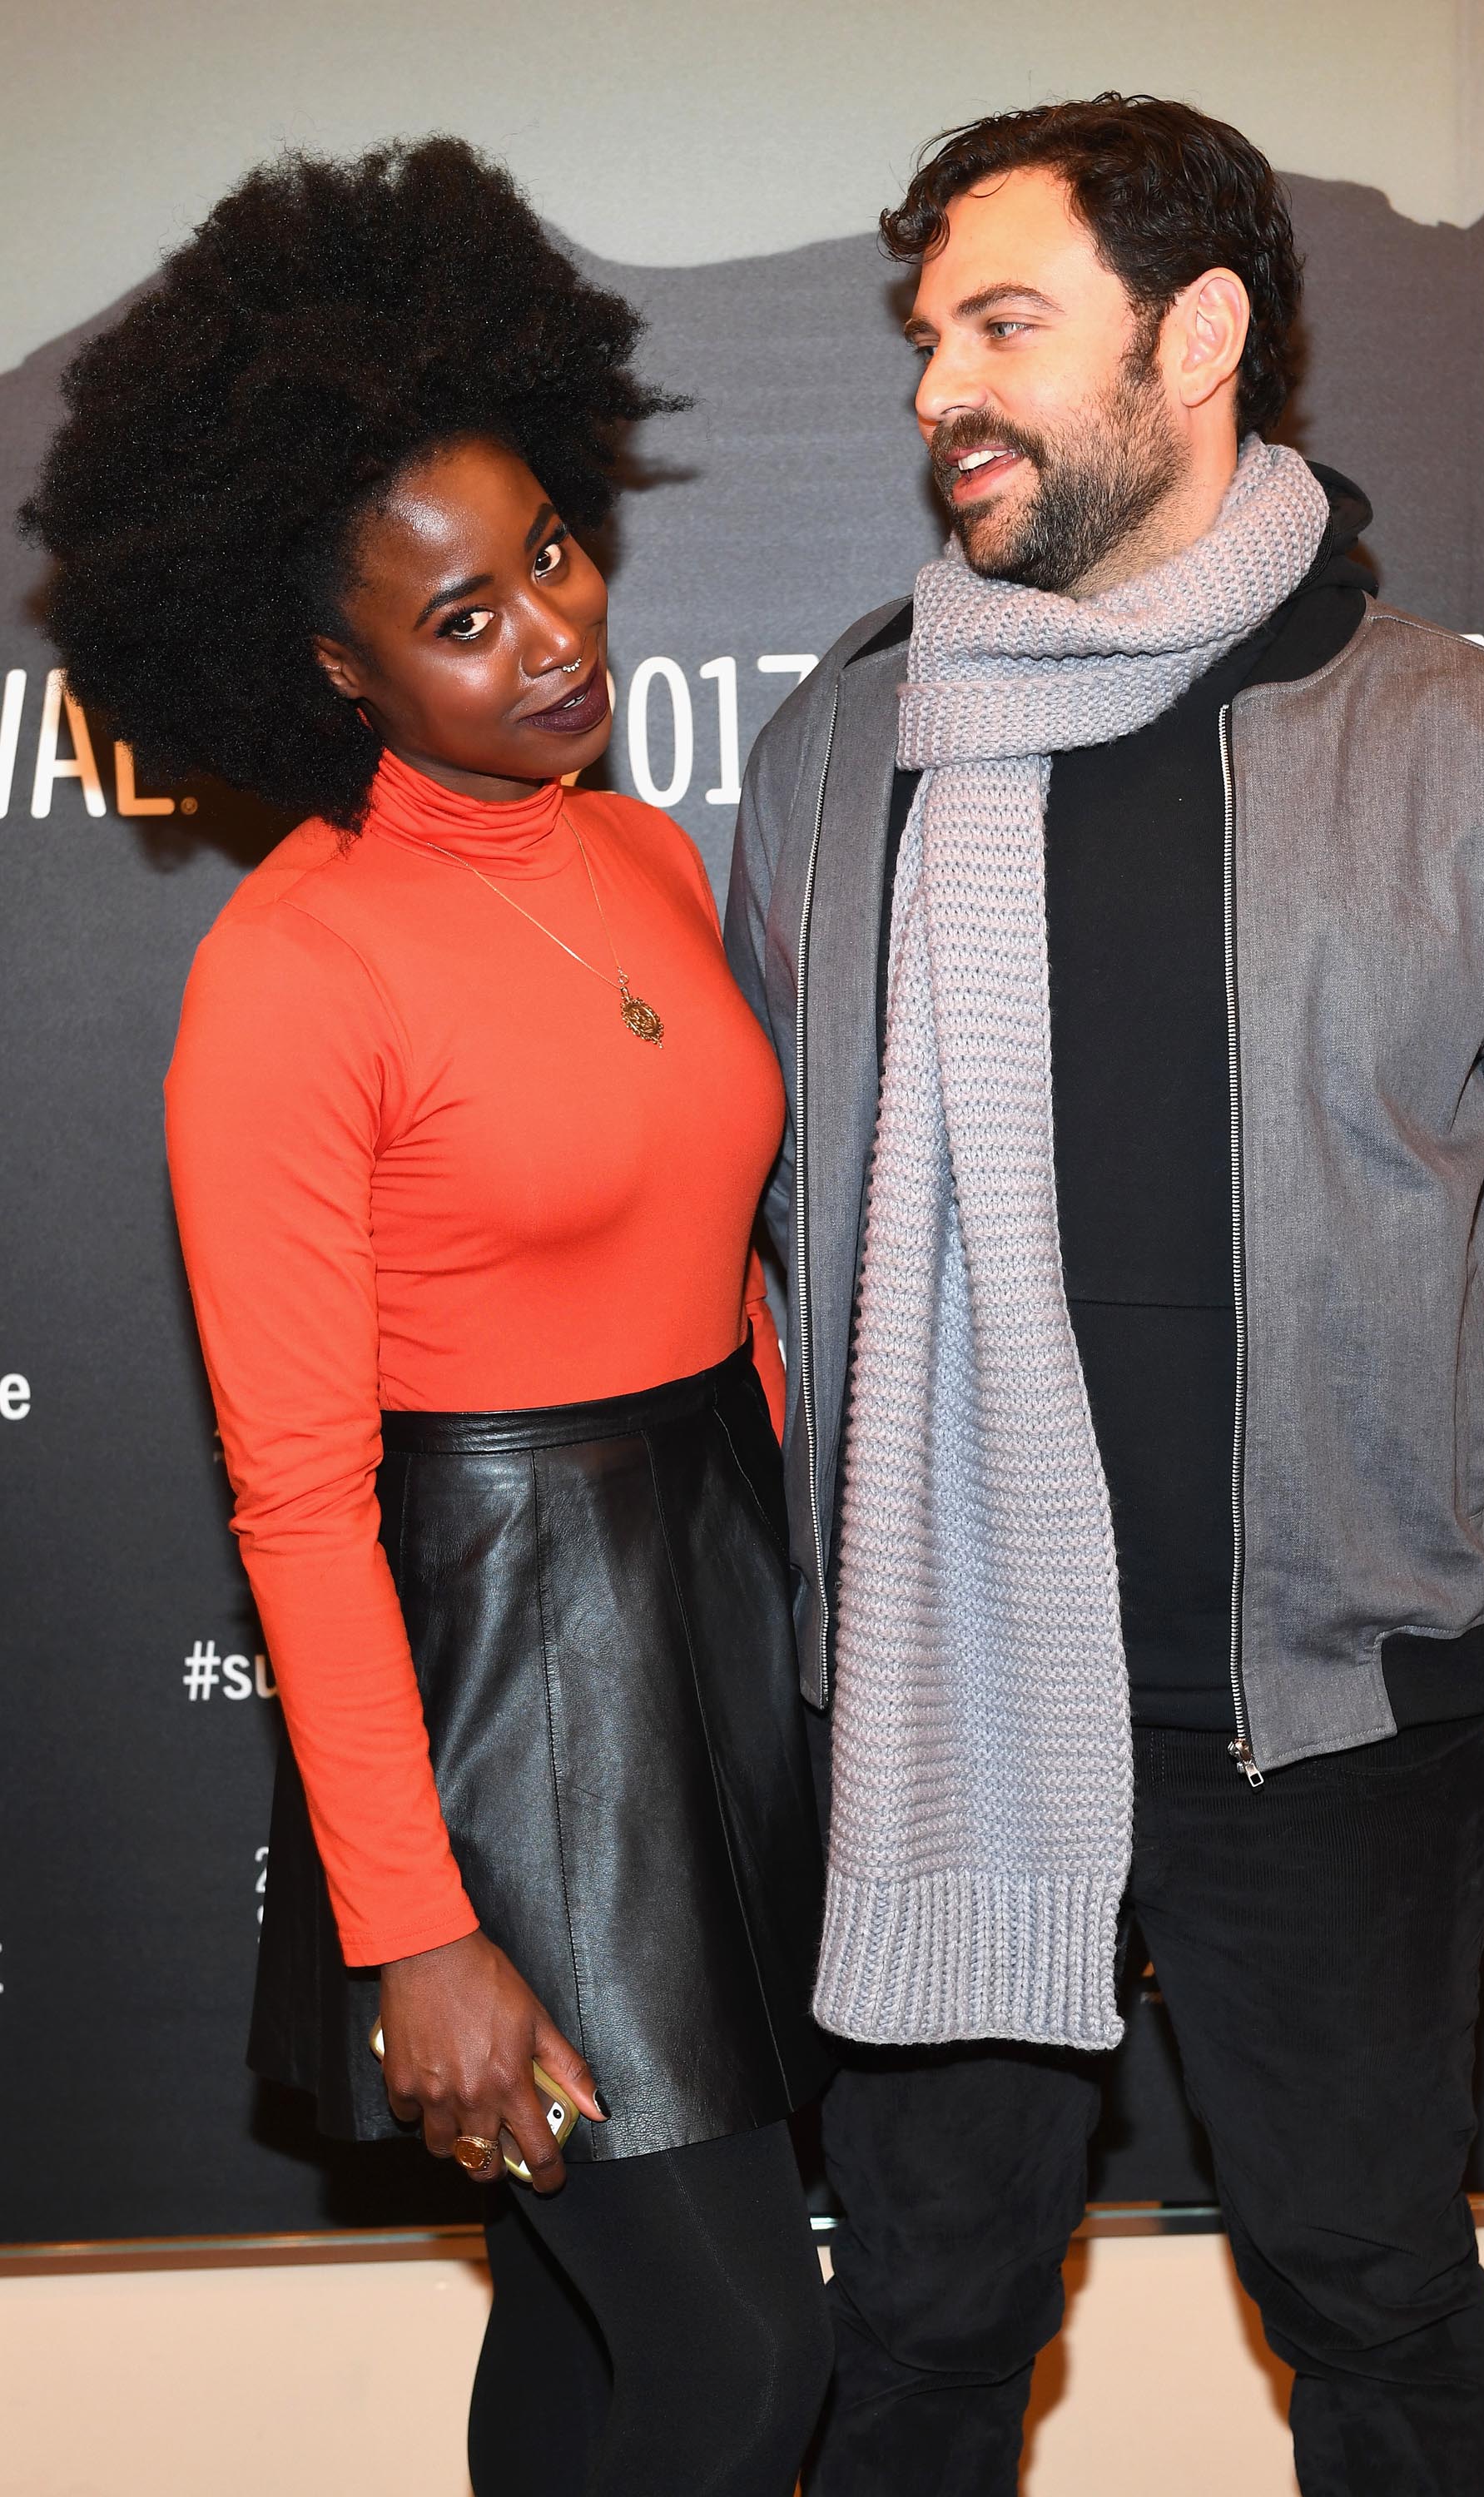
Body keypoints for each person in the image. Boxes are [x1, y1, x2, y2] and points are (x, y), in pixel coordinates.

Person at [725, 93, 1484, 2497]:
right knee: (923, 2330)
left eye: (1009, 322)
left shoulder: (1461, 740)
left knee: (1376, 2301)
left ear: (1203, 337)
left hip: (1337, 1725)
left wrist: (1403, 1483)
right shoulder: (850, 748)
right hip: (939, 1705)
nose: (947, 381)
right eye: (929, 331)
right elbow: (783, 1206)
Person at [26, 138, 832, 2497]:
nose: (551, 633)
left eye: (550, 555)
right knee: (743, 2354)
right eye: (461, 617)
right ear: (333, 667)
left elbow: (734, 1291)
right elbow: (297, 1494)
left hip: (723, 1598)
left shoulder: (645, 847)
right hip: (513, 1702)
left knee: (589, 2357)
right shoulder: (291, 969)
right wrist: (419, 1926)